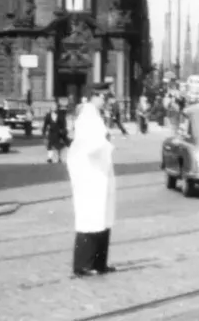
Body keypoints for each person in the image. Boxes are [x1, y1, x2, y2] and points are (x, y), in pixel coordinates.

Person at [67, 86, 117, 278]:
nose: (106, 101)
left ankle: (100, 262)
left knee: (103, 218)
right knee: (90, 218)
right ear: (94, 96)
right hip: (90, 175)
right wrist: (106, 141)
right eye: (104, 97)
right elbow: (90, 146)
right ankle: (83, 264)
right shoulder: (87, 116)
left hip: (100, 173)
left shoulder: (95, 114)